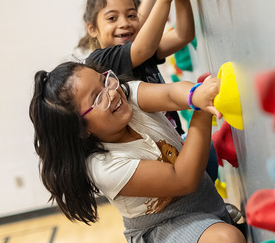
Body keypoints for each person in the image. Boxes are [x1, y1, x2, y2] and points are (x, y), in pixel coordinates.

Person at [29, 61, 245, 243]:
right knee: (227, 238)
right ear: (81, 129)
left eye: (104, 80)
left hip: (198, 191)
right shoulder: (104, 167)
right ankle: (212, 225)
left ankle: (213, 216)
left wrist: (195, 94)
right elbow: (183, 179)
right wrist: (202, 110)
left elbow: (170, 95)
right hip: (162, 225)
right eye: (97, 98)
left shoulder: (125, 95)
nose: (111, 93)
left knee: (195, 144)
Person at [77, 0, 193, 138]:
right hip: (159, 150)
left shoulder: (136, 50)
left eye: (131, 15)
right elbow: (143, 48)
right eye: (112, 18)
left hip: (177, 137)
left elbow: (183, 35)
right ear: (92, 29)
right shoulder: (101, 62)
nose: (124, 23)